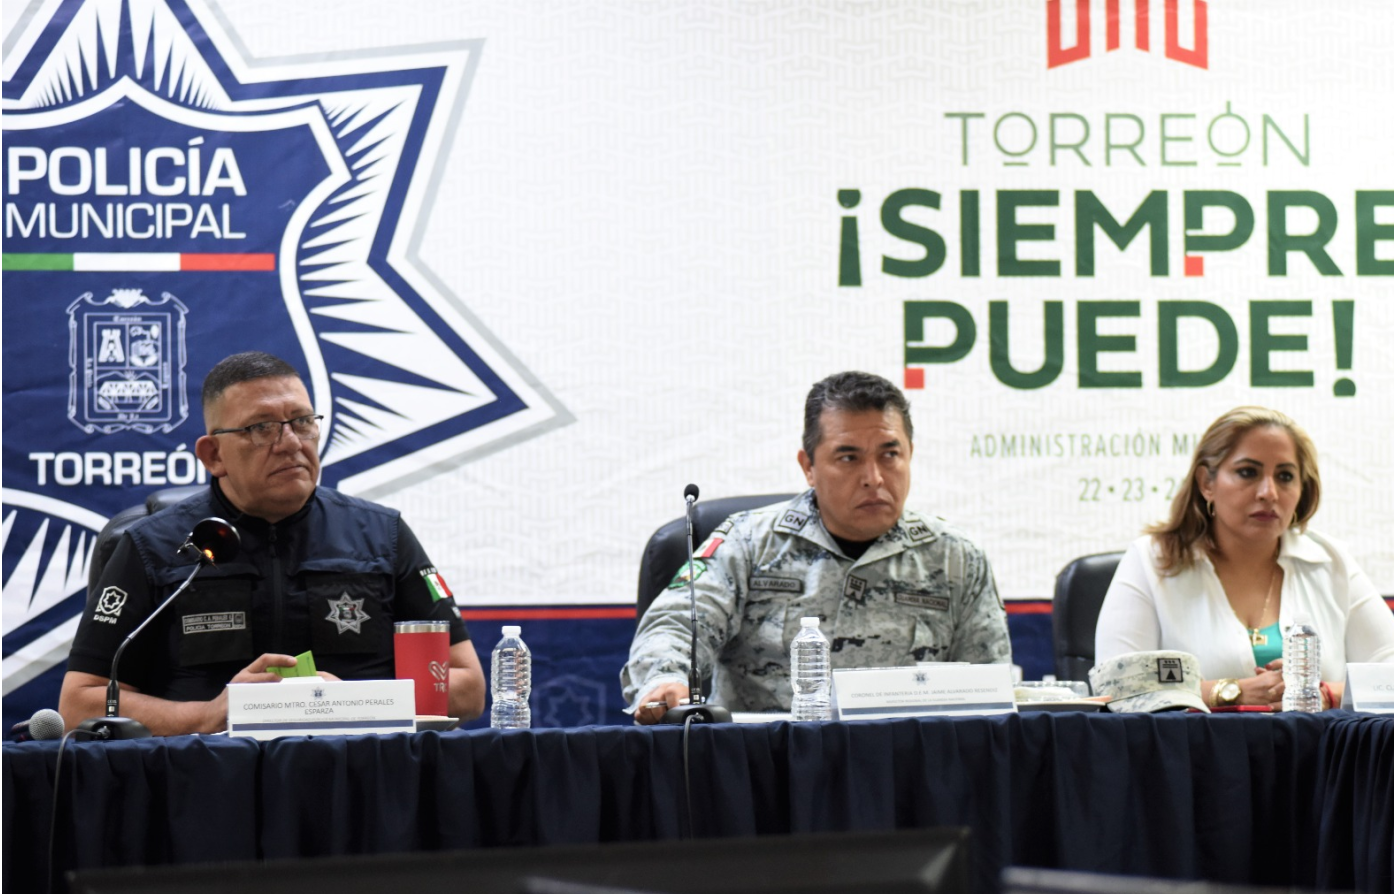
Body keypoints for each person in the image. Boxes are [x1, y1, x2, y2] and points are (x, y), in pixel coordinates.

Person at [58, 352, 486, 735]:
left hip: (362, 779)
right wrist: (207, 715)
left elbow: (466, 685)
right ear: (213, 455)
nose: (291, 444)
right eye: (262, 428)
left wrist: (354, 702)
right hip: (206, 780)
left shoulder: (382, 535)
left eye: (302, 422)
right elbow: (81, 702)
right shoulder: (153, 545)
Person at [623, 371, 1011, 722]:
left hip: (908, 772)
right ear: (808, 466)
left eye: (890, 455)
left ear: (910, 455)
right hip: (769, 768)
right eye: (848, 457)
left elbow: (991, 694)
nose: (873, 478)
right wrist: (664, 680)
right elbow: (674, 626)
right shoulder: (747, 542)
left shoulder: (956, 558)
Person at [1095, 406, 1394, 709]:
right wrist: (1229, 691)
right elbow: (1115, 690)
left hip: (1319, 754)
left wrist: (1324, 693)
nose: (1269, 492)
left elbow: (1390, 678)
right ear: (1206, 483)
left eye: (1285, 476)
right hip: (1193, 754)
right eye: (1248, 473)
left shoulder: (1331, 562)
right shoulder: (1150, 561)